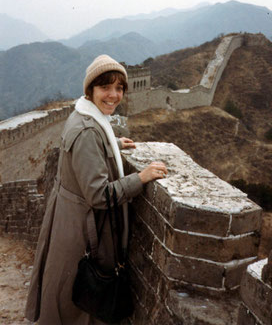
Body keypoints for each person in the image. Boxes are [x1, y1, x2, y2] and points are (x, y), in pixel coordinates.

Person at [25, 55, 167, 324]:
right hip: (80, 230)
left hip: (68, 221)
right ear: (89, 90)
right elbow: (99, 195)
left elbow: (90, 147)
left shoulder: (85, 117)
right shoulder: (88, 131)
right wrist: (141, 178)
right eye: (105, 87)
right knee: (78, 302)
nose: (114, 95)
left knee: (67, 294)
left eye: (119, 88)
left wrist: (111, 143)